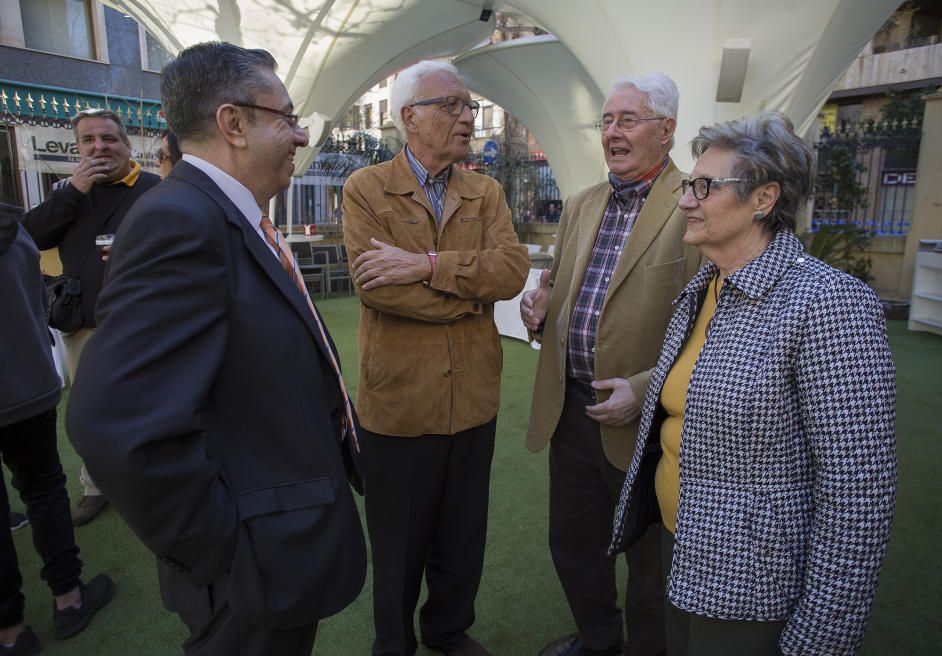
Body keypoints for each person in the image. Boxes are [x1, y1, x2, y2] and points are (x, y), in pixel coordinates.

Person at [65, 42, 366, 656]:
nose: (301, 134)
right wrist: (225, 552)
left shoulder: (229, 215)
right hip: (248, 570)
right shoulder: (180, 220)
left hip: (279, 539)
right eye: (286, 117)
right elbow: (113, 425)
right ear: (233, 124)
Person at [609, 112, 896, 655]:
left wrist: (822, 637)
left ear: (763, 199)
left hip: (750, 583)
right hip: (680, 550)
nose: (684, 200)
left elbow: (859, 497)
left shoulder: (829, 304)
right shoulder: (706, 286)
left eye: (702, 187)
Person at [342, 60, 530, 656]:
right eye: (450, 105)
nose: (467, 117)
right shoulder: (365, 189)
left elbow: (513, 271)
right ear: (409, 118)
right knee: (398, 542)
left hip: (473, 400)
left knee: (461, 536)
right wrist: (469, 300)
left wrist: (427, 266)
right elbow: (378, 288)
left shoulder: (486, 190)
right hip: (399, 406)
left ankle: (448, 631)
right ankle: (392, 644)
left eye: (468, 106)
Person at [521, 73, 699, 656]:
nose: (612, 133)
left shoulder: (694, 203)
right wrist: (543, 313)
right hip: (572, 410)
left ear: (667, 130)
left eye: (628, 120)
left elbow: (711, 329)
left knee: (653, 565)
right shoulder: (582, 203)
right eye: (606, 121)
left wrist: (646, 391)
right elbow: (573, 297)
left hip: (649, 423)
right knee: (572, 543)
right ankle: (599, 641)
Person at [22, 108, 159, 527]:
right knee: (89, 412)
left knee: (149, 407)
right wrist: (74, 192)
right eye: (89, 140)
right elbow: (30, 237)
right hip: (82, 324)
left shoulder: (154, 189)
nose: (99, 147)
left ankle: (150, 483)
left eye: (109, 138)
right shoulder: (69, 191)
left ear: (126, 144)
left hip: (143, 324)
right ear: (78, 147)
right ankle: (96, 487)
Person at [1, 202, 113, 656]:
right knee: (45, 490)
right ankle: (68, 600)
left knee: (42, 492)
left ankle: (9, 630)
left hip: (26, 385)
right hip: (25, 384)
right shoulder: (15, 229)